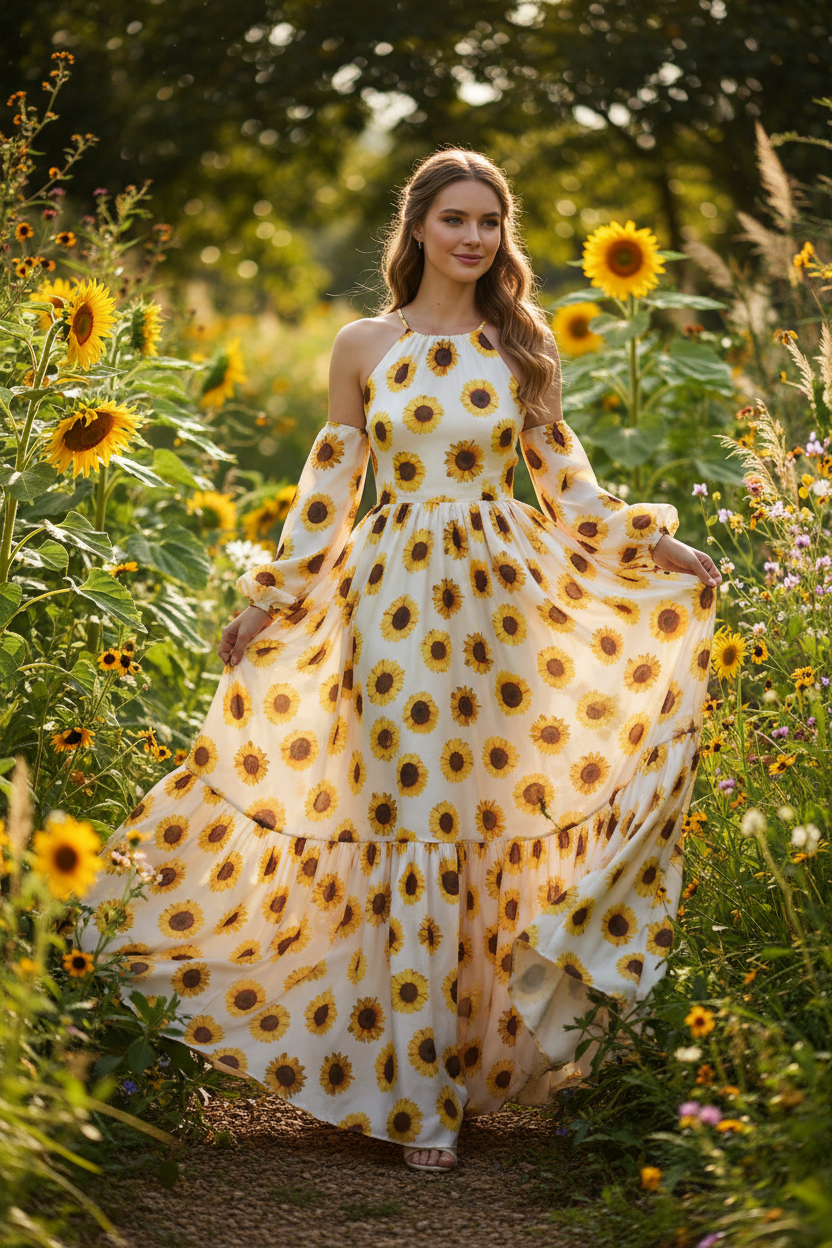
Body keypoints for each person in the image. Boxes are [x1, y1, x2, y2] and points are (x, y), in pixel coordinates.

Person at [81, 148, 720, 1174]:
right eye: (455, 218)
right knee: (407, 820)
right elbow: (331, 490)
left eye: (490, 222)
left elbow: (570, 490)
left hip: (503, 612)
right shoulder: (363, 344)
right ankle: (413, 1096)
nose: (474, 238)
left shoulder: (521, 342)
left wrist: (657, 547)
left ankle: (464, 1074)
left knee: (485, 818)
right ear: (417, 226)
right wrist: (271, 599)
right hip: (388, 611)